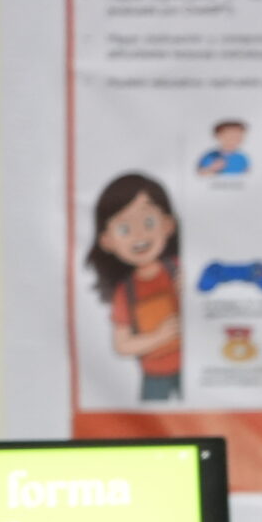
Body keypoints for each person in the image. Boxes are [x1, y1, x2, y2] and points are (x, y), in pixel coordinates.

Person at [85, 172, 183, 401]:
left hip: (193, 367)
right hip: (155, 376)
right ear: (107, 241)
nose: (139, 235)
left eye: (148, 222)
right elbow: (122, 345)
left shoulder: (181, 269)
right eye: (124, 229)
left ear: (168, 224)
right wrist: (159, 336)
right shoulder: (124, 293)